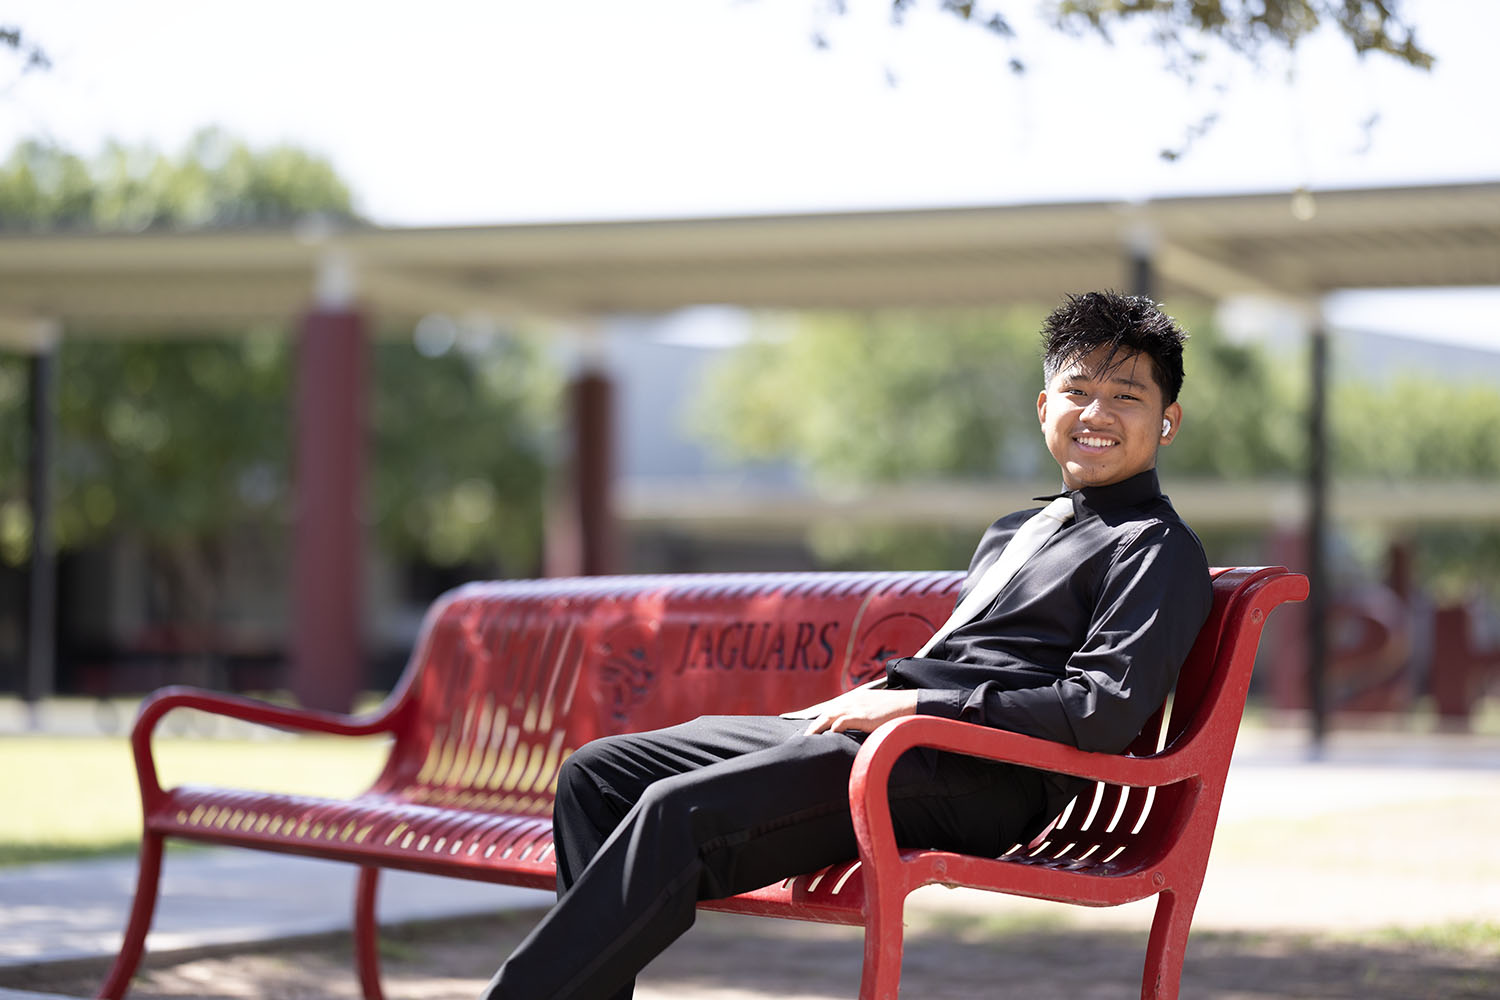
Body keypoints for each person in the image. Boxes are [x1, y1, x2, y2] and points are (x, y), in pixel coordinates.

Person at [481, 290, 1213, 1000]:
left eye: (1126, 396)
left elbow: (1103, 708)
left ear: (1167, 421)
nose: (1096, 414)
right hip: (904, 742)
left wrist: (920, 704)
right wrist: (889, 705)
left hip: (980, 770)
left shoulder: (1153, 547)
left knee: (679, 814)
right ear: (1044, 407)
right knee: (600, 775)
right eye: (1077, 389)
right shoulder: (1017, 532)